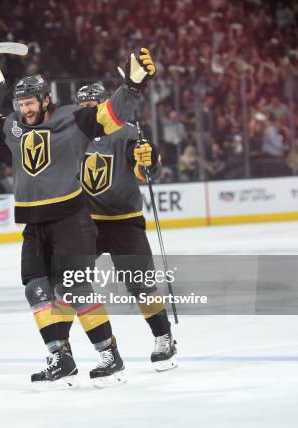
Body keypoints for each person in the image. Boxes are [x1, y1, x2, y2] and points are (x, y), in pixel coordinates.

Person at [0, 48, 157, 388]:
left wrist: (132, 87)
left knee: (74, 288)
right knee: (37, 290)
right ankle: (60, 357)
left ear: (46, 100)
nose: (25, 109)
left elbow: (111, 115)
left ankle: (109, 353)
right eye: (21, 104)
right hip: (34, 225)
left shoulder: (72, 119)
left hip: (72, 221)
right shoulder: (12, 124)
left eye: (31, 102)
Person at [76, 82, 177, 372]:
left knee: (141, 285)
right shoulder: (73, 135)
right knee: (67, 279)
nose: (88, 112)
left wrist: (150, 159)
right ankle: (72, 348)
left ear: (106, 105)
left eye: (93, 106)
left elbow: (146, 169)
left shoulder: (127, 132)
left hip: (124, 222)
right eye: (83, 108)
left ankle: (164, 337)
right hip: (87, 223)